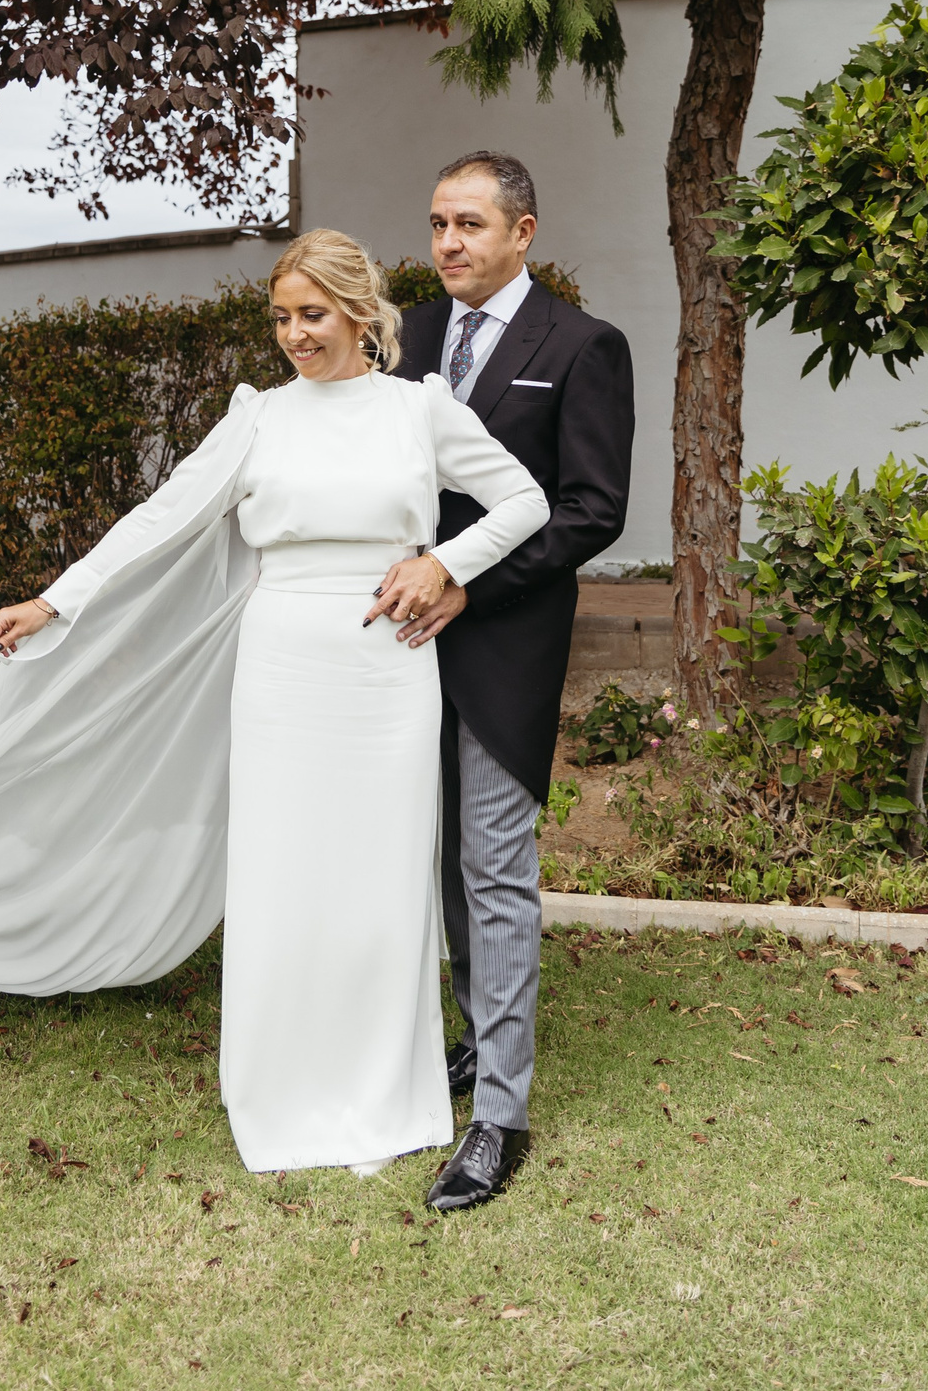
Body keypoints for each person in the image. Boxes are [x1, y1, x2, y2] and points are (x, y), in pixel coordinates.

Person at [0, 230, 548, 1180]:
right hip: (284, 670)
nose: (294, 335)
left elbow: (523, 501)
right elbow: (159, 519)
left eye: (312, 315)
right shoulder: (261, 419)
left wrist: (444, 562)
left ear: (361, 312)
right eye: (280, 317)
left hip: (388, 678)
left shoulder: (421, 412)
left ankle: (379, 1082)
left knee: (378, 876)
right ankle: (281, 1079)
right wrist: (54, 599)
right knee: (285, 873)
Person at [386, 152, 634, 1211]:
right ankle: (471, 1043)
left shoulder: (582, 347)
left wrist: (463, 581)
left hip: (502, 643)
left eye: (471, 224)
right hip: (391, 643)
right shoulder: (400, 335)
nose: (448, 242)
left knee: (492, 868)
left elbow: (591, 510)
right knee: (434, 862)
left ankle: (500, 1118)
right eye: (439, 222)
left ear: (522, 234)